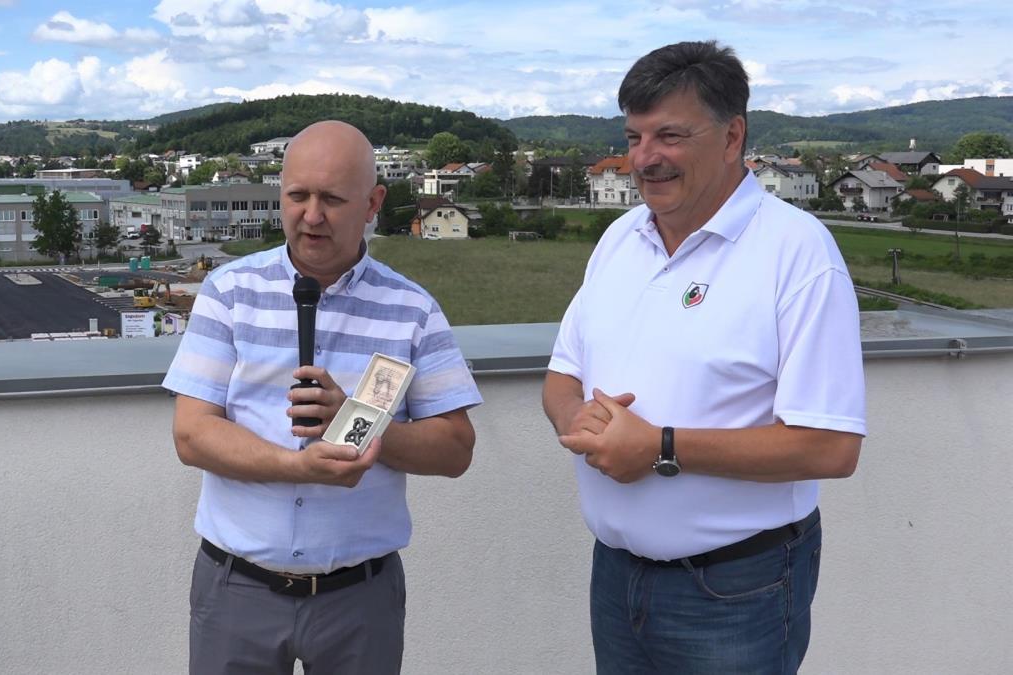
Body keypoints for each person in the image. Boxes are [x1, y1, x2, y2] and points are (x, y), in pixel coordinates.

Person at [542, 41, 866, 674]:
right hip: (616, 575)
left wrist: (659, 447)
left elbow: (831, 448)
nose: (644, 158)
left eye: (669, 135)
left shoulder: (797, 252)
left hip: (737, 589)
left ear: (731, 136)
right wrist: (576, 420)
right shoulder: (619, 239)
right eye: (634, 137)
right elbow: (562, 376)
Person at [163, 120, 481, 674]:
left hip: (359, 600)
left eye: (332, 199)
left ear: (373, 203)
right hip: (237, 591)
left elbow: (455, 449)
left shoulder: (413, 309)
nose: (311, 216)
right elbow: (192, 436)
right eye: (298, 196)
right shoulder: (229, 291)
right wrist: (298, 467)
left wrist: (360, 422)